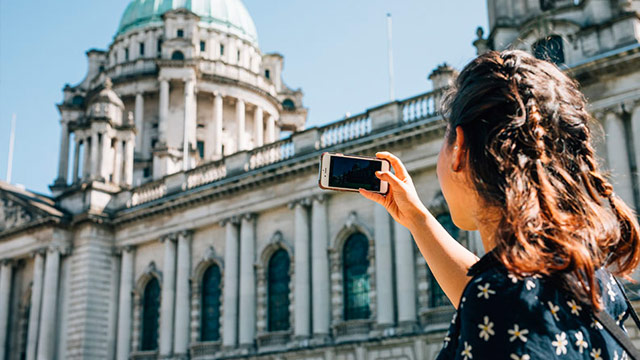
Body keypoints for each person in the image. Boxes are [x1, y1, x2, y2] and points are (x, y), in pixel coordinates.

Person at [359, 49, 640, 359]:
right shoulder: (589, 276)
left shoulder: (500, 304)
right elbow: (498, 289)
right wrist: (417, 218)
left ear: (459, 149)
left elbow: (498, 301)